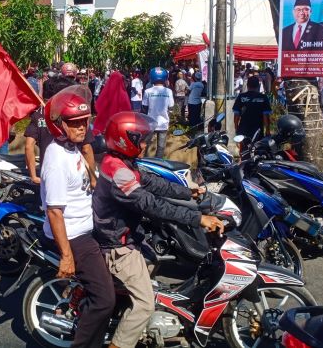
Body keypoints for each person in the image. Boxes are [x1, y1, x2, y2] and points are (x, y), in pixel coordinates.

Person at [92, 111, 224, 348]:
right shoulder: (118, 172)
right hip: (117, 246)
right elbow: (151, 204)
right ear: (125, 140)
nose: (144, 144)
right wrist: (197, 218)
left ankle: (124, 310)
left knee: (154, 259)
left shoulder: (122, 162)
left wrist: (189, 192)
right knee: (145, 305)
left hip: (127, 235)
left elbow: (152, 182)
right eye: (140, 140)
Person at [40, 85, 115, 348]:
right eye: (74, 123)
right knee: (105, 299)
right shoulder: (56, 159)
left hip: (87, 227)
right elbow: (54, 212)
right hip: (75, 236)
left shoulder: (73, 150)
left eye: (85, 122)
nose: (82, 128)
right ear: (59, 125)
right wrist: (67, 255)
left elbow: (89, 183)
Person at [24, 76, 96, 185]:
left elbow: (29, 146)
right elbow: (86, 148)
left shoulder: (38, 114)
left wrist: (33, 176)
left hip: (48, 174)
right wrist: (93, 179)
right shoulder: (75, 117)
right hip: (74, 175)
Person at [142, 67, 174, 158]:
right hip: (163, 123)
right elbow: (171, 106)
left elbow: (144, 108)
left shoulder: (148, 91)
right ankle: (158, 163)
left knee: (146, 144)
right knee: (161, 147)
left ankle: (145, 162)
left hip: (150, 123)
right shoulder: (168, 91)